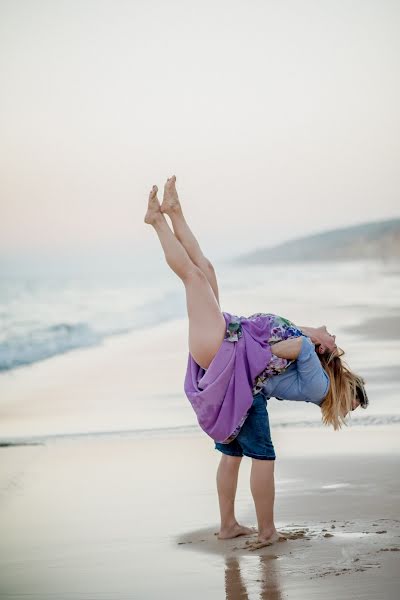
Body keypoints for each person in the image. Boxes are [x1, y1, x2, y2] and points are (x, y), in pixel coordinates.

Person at [144, 175, 368, 549]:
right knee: (207, 271)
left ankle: (156, 222)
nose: (332, 334)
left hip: (225, 352)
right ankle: (174, 212)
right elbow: (289, 345)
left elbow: (291, 348)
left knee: (195, 278)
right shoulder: (314, 372)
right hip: (228, 349)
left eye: (333, 340)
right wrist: (304, 335)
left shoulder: (319, 382)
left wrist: (302, 338)